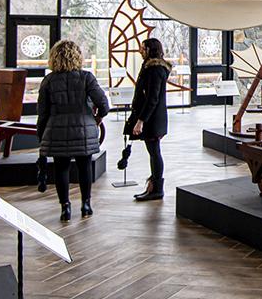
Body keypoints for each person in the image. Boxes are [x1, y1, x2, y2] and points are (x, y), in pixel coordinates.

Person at [37, 40, 109, 221]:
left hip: (57, 130)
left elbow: (42, 112)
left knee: (61, 169)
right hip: (83, 130)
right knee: (84, 167)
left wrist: (41, 136)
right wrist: (98, 118)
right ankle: (86, 204)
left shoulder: (49, 80)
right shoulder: (87, 77)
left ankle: (65, 208)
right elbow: (103, 103)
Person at [126, 38, 170, 202]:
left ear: (150, 49)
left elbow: (152, 98)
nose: (140, 50)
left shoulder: (154, 70)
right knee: (154, 152)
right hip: (153, 117)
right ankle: (154, 186)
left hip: (152, 119)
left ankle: (157, 189)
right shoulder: (153, 68)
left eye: (142, 48)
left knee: (154, 152)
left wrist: (141, 121)